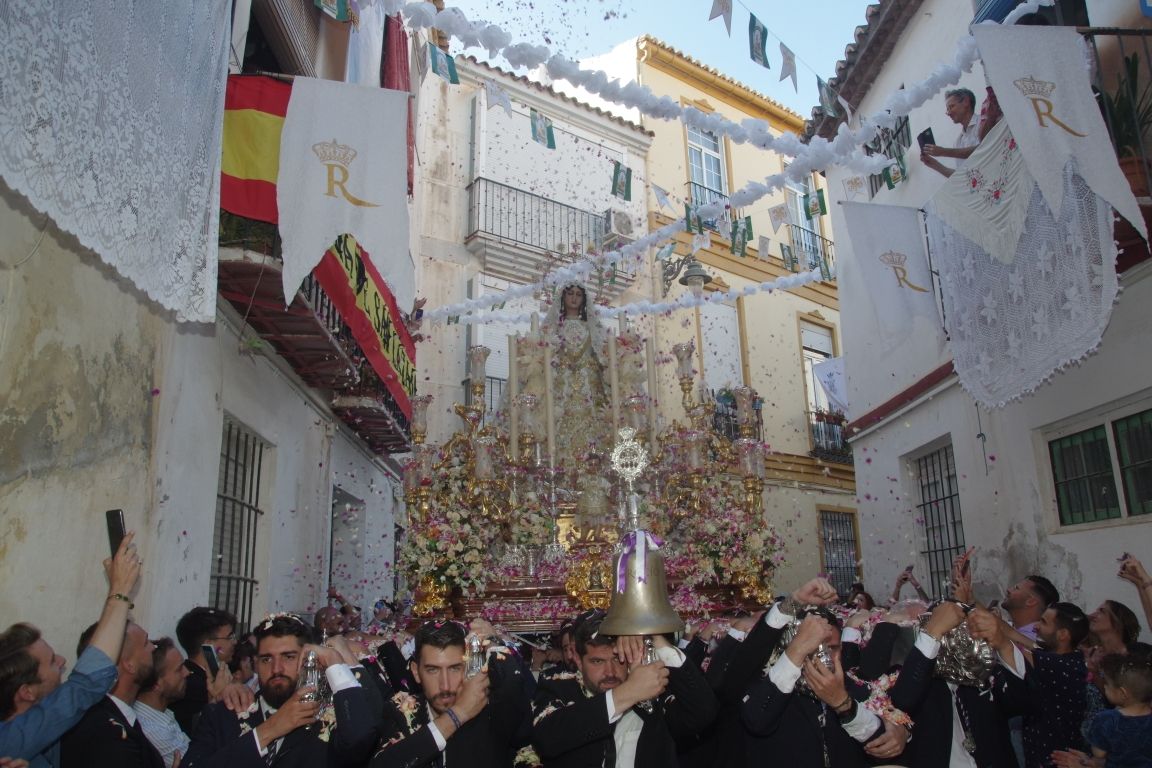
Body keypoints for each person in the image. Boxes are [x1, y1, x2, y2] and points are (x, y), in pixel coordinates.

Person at [0, 533, 141, 768]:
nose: (63, 660)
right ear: (26, 692)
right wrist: (120, 592)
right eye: (53, 662)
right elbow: (85, 684)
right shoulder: (10, 742)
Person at [182, 614, 377, 768]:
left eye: (289, 657)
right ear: (255, 664)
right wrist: (269, 730)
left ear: (311, 659)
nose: (276, 669)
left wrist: (334, 663)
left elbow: (360, 742)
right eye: (266, 659)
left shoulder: (331, 717)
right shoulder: (223, 714)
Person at [531, 610, 717, 767]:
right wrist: (629, 692)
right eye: (597, 661)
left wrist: (654, 638)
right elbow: (548, 740)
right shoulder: (557, 685)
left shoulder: (651, 689)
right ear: (578, 661)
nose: (610, 672)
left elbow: (703, 713)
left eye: (618, 658)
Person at [371, 620, 529, 767]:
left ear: (468, 668)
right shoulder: (399, 712)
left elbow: (514, 687)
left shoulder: (491, 712)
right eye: (432, 670)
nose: (445, 685)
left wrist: (494, 643)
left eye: (455, 668)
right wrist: (458, 714)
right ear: (416, 672)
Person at [972, 601, 1092, 767]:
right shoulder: (1051, 656)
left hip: (1056, 761)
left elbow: (1009, 645)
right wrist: (971, 601)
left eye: (1043, 622)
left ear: (1063, 634)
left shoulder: (1064, 665)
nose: (1036, 627)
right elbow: (1008, 632)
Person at [60, 621, 163, 767]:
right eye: (146, 643)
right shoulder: (108, 735)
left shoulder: (110, 716)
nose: (153, 648)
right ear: (129, 664)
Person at [533, 283, 612, 466]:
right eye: (570, 294)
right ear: (563, 297)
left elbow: (603, 355)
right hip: (562, 386)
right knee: (558, 425)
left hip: (588, 386)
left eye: (578, 294)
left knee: (593, 426)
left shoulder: (592, 327)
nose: (574, 298)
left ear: (584, 299)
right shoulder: (554, 328)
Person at [170, 607, 240, 737]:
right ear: (209, 645)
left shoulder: (211, 678)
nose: (235, 642)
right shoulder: (191, 685)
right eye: (230, 637)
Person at [134, 638, 192, 768]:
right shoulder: (154, 731)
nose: (187, 672)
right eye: (179, 669)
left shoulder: (162, 713)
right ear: (156, 685)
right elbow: (200, 762)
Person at [921, 87, 981, 178]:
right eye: (947, 109)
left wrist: (944, 152)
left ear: (966, 102)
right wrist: (935, 164)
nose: (948, 113)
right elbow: (961, 177)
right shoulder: (958, 142)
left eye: (951, 107)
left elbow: (982, 150)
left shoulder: (984, 122)